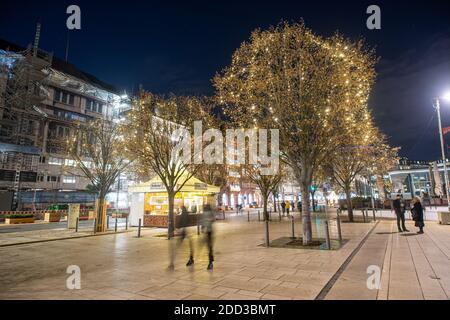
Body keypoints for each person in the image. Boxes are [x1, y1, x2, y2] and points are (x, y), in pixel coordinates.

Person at [168, 206, 194, 270]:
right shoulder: (187, 214)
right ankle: (191, 258)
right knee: (190, 246)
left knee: (177, 246)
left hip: (183, 231)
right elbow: (189, 221)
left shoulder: (182, 215)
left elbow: (180, 223)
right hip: (187, 230)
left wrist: (176, 229)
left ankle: (172, 264)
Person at [201, 204, 215, 270]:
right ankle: (211, 258)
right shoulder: (210, 212)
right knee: (209, 246)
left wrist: (202, 228)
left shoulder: (204, 213)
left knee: (208, 246)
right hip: (210, 230)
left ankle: (210, 262)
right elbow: (213, 219)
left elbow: (203, 221)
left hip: (207, 230)